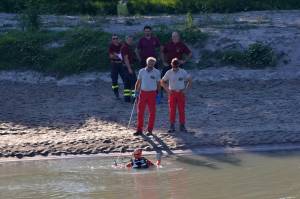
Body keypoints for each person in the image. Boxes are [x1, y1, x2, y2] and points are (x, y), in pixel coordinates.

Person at [161, 58, 192, 133]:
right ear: (171, 64)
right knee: (172, 110)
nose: (175, 67)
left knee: (181, 110)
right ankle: (172, 126)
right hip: (172, 93)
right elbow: (162, 81)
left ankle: (182, 126)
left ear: (178, 65)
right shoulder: (169, 72)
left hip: (181, 93)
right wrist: (167, 90)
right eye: (174, 65)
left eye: (176, 65)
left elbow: (190, 80)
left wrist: (186, 90)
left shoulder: (183, 71)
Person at [134, 57, 161, 136]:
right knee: (140, 112)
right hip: (143, 93)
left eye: (152, 63)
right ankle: (139, 130)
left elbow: (159, 84)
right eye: (150, 62)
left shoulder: (157, 72)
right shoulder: (141, 71)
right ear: (147, 63)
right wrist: (135, 91)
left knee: (152, 112)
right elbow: (138, 82)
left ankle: (149, 130)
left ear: (154, 64)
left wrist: (158, 94)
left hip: (152, 94)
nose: (151, 64)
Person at [108, 34, 131, 102]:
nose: (115, 40)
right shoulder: (111, 46)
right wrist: (117, 56)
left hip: (121, 65)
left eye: (116, 38)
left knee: (125, 79)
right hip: (114, 65)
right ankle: (116, 93)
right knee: (114, 80)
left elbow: (124, 55)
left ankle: (126, 94)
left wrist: (116, 55)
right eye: (113, 39)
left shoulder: (122, 45)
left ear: (118, 39)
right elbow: (111, 56)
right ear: (112, 40)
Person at [121, 35, 137, 102]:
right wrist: (129, 68)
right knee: (134, 83)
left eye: (131, 40)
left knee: (127, 83)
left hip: (125, 67)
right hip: (128, 67)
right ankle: (134, 98)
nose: (130, 41)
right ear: (126, 40)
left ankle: (127, 98)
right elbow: (126, 58)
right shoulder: (125, 47)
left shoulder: (128, 47)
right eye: (129, 40)